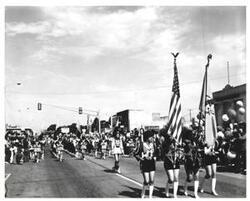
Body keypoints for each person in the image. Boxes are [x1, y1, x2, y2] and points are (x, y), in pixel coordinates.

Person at [182, 126, 204, 198]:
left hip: (196, 159)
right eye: (191, 133)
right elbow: (185, 150)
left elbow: (202, 146)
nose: (193, 134)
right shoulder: (186, 141)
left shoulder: (198, 140)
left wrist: (201, 147)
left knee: (196, 176)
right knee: (189, 178)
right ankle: (185, 188)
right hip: (189, 160)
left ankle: (195, 194)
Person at [134, 130, 156, 198]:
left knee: (151, 180)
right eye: (151, 137)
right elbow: (135, 154)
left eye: (153, 137)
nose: (152, 138)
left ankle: (150, 197)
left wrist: (155, 157)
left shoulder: (154, 145)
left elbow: (156, 153)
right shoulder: (141, 144)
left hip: (152, 163)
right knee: (146, 181)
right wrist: (140, 159)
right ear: (147, 137)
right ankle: (143, 194)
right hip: (144, 163)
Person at [161, 128, 181, 198]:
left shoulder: (177, 141)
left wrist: (178, 145)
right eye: (170, 134)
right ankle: (167, 190)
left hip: (176, 160)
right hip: (168, 161)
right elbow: (164, 150)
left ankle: (175, 195)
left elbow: (181, 148)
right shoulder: (165, 142)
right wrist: (170, 142)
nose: (171, 135)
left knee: (176, 178)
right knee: (171, 179)